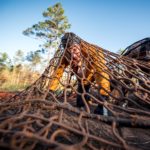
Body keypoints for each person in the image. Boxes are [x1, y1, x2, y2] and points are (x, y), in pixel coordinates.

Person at [49, 32, 110, 115]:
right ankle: (87, 98)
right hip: (82, 80)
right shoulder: (66, 56)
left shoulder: (94, 51)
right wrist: (51, 90)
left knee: (103, 108)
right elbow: (57, 73)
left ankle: (100, 100)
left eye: (74, 49)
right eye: (68, 50)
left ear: (80, 45)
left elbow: (102, 73)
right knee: (80, 103)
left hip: (93, 75)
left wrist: (103, 96)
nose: (73, 54)